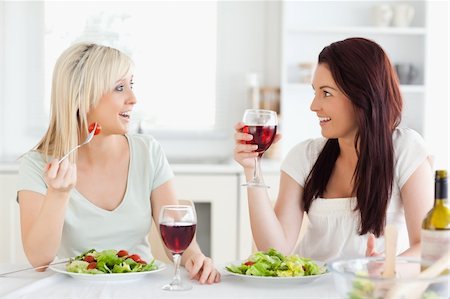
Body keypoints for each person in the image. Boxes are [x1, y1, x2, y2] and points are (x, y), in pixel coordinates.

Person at [17, 42, 220, 284]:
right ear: (82, 97)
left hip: (141, 289)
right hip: (74, 291)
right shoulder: (37, 165)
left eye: (131, 86)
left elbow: (176, 243)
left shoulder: (148, 152)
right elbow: (39, 260)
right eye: (119, 88)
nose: (133, 99)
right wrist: (58, 194)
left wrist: (196, 257)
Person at [234, 37, 434, 262]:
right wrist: (253, 169)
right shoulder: (305, 157)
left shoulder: (405, 149)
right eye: (314, 92)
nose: (313, 106)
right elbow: (275, 251)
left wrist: (391, 268)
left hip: (371, 292)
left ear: (362, 96)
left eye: (326, 93)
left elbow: (430, 246)